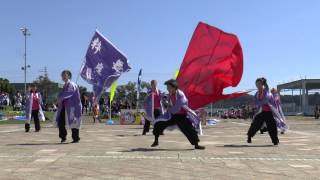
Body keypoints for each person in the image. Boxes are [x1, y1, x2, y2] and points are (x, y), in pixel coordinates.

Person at [151, 79, 205, 150]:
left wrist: (167, 105)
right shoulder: (170, 94)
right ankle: (156, 140)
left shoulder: (180, 95)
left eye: (168, 87)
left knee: (189, 129)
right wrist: (164, 100)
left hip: (181, 116)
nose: (167, 89)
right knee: (158, 123)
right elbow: (164, 98)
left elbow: (175, 109)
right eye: (167, 87)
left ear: (174, 87)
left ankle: (196, 144)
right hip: (172, 116)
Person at [247, 78, 279, 145]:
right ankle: (249, 136)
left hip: (268, 112)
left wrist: (255, 104)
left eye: (259, 84)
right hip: (261, 112)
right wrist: (252, 105)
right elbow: (255, 101)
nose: (258, 86)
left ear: (262, 84)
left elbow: (265, 101)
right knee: (255, 124)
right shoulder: (257, 93)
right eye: (256, 84)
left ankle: (275, 140)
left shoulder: (267, 92)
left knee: (271, 126)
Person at [55, 70, 82, 143]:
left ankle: (76, 138)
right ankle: (63, 137)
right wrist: (58, 99)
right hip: (65, 106)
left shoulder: (71, 84)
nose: (63, 77)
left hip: (73, 106)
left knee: (74, 122)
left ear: (69, 76)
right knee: (61, 121)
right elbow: (62, 94)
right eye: (62, 75)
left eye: (65, 75)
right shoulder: (65, 85)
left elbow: (68, 93)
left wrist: (59, 99)